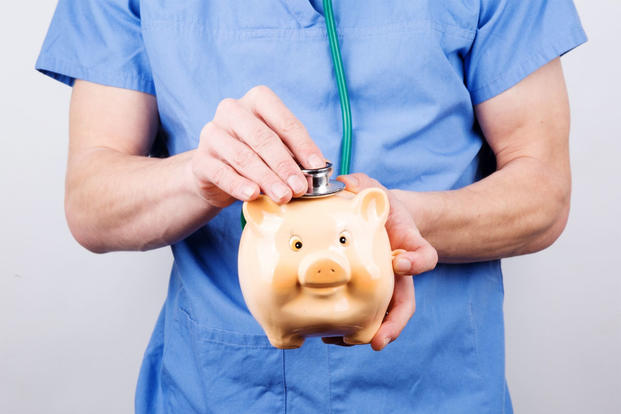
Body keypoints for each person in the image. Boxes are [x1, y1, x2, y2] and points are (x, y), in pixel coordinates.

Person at [36, 0, 586, 412]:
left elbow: (543, 190)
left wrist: (404, 220)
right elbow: (91, 202)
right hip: (216, 390)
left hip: (435, 388)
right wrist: (199, 177)